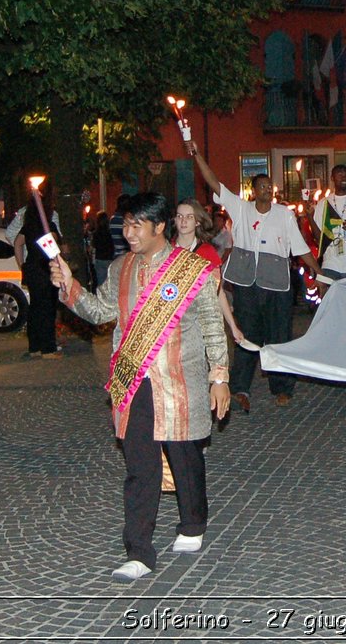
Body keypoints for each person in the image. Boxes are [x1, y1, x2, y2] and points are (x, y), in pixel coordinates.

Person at [49, 193, 230, 582]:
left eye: (135, 225)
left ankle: (193, 523)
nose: (127, 232)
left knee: (184, 455)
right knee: (139, 465)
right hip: (134, 381)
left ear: (159, 226)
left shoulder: (191, 269)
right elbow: (101, 313)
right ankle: (139, 550)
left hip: (180, 379)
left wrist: (220, 377)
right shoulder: (120, 269)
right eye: (125, 224)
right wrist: (70, 287)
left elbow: (213, 325)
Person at [187, 142, 319, 409]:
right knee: (246, 335)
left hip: (277, 285)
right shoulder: (240, 209)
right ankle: (240, 388)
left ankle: (282, 387)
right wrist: (197, 154)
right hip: (247, 284)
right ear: (253, 190)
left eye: (271, 187)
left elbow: (301, 247)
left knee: (279, 335)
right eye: (263, 186)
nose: (268, 190)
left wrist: (319, 273)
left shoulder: (284, 214)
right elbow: (214, 183)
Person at [175, 198, 250, 350]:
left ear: (197, 222)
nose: (183, 221)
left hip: (197, 322)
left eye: (189, 217)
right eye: (179, 216)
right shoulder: (167, 250)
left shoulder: (206, 252)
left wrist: (233, 326)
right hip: (172, 323)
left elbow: (218, 291)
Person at [13, 179, 63, 359]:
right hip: (46, 269)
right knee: (47, 308)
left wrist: (22, 265)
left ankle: (34, 347)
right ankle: (48, 348)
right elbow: (54, 248)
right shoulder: (48, 226)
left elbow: (17, 243)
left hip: (32, 268)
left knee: (35, 307)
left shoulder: (29, 226)